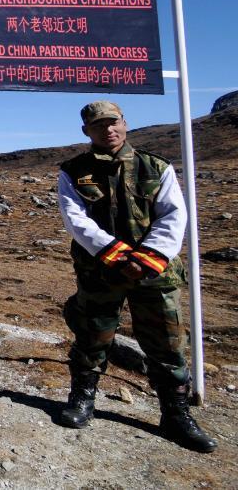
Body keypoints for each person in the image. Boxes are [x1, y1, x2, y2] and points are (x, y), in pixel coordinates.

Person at [56, 101, 215, 452]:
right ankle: (82, 399)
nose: (107, 130)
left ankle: (176, 414)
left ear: (125, 124)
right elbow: (75, 218)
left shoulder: (156, 166)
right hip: (100, 271)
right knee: (91, 335)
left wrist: (146, 257)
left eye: (113, 123)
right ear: (87, 131)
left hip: (154, 273)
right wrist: (116, 254)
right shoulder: (73, 170)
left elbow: (173, 215)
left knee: (168, 343)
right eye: (98, 126)